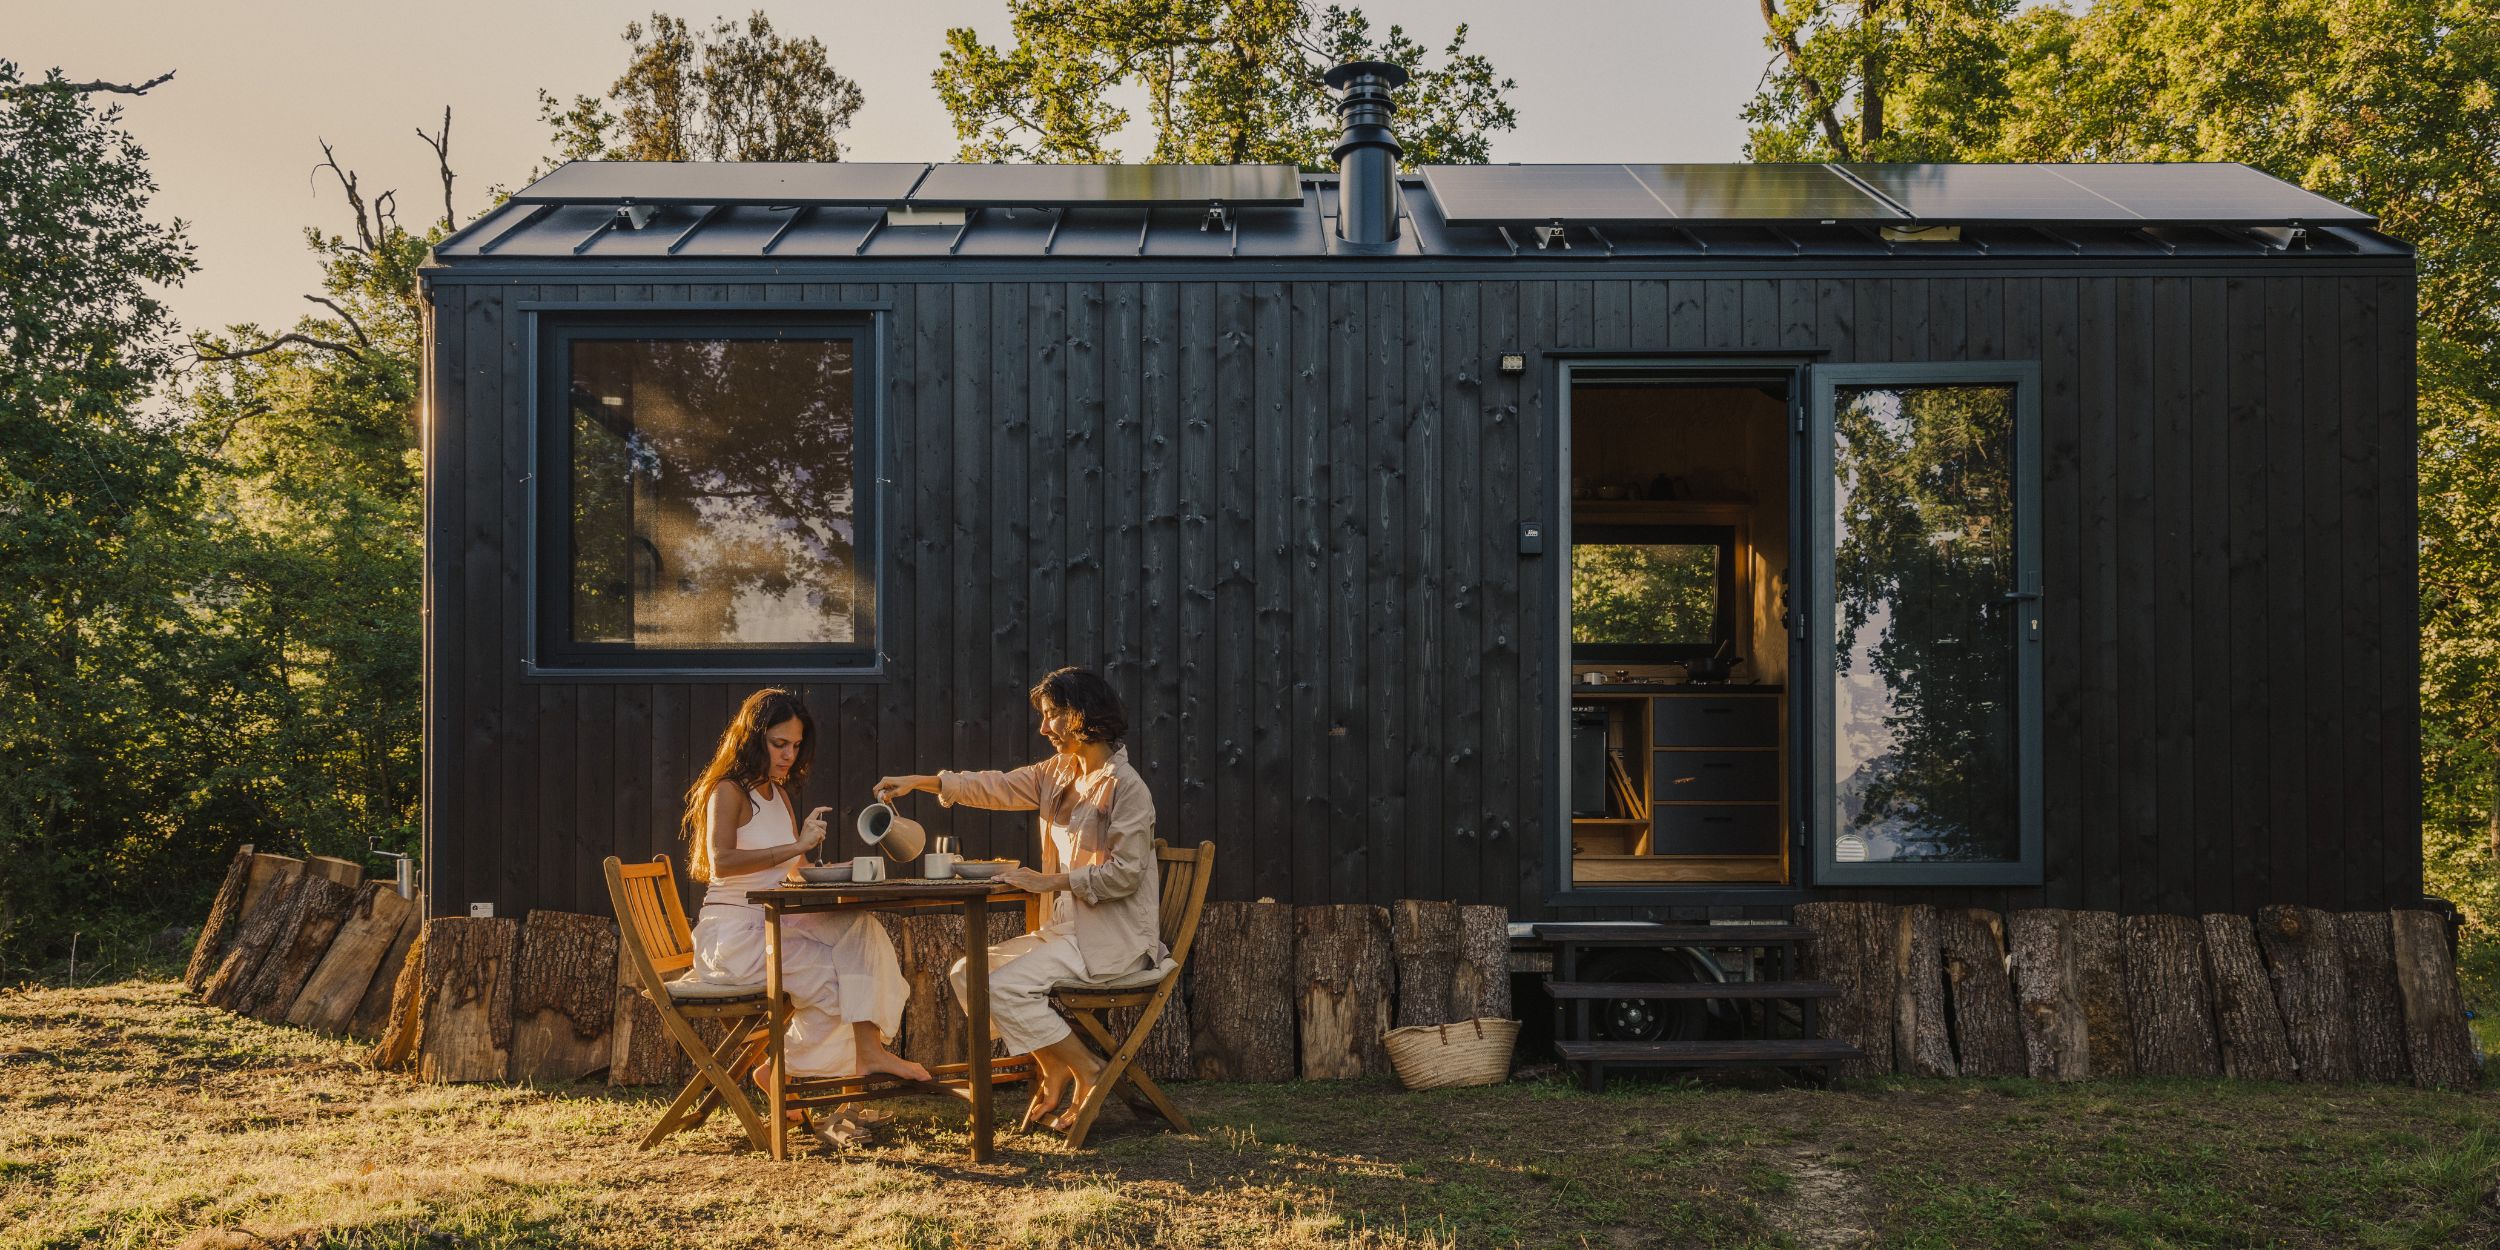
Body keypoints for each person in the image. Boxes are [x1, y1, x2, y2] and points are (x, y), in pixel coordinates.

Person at [875, 667, 1163, 1134]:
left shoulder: (1126, 787)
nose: (1044, 728)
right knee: (968, 973)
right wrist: (921, 782)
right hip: (1065, 930)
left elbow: (1126, 875)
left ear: (1083, 715)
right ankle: (1053, 1065)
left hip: (1111, 939)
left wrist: (1049, 883)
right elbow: (996, 786)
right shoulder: (1058, 774)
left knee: (1005, 987)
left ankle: (1086, 1069)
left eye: (1053, 716)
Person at [683, 688, 928, 1146]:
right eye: (780, 744)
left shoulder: (777, 795)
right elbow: (721, 862)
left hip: (773, 921)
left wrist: (840, 873)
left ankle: (866, 1053)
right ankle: (792, 1073)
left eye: (795, 746)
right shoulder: (727, 790)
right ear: (752, 737)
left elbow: (796, 870)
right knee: (837, 982)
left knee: (862, 929)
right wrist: (797, 847)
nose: (788, 755)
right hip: (734, 935)